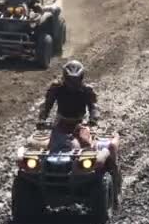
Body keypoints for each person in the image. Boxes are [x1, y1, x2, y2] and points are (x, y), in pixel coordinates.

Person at [38, 60, 122, 205]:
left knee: (88, 148)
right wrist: (42, 118)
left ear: (81, 78)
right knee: (52, 149)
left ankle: (114, 189)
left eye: (76, 80)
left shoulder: (87, 91)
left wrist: (94, 119)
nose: (73, 83)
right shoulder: (56, 88)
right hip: (60, 124)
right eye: (70, 80)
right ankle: (53, 180)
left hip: (79, 124)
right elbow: (47, 105)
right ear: (64, 78)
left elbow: (93, 107)